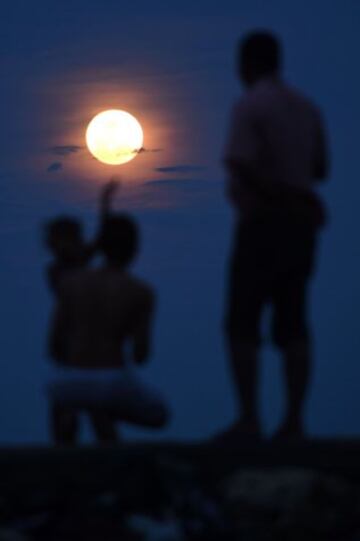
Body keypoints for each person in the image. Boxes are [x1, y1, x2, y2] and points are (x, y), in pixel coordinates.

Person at [222, 31, 329, 441]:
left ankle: (249, 419)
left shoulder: (250, 105)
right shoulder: (308, 108)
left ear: (247, 64)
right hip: (302, 226)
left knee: (241, 321)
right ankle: (294, 420)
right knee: (294, 321)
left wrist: (273, 193)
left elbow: (237, 162)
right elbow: (320, 168)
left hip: (264, 222)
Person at [47, 213, 169, 444]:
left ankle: (65, 445)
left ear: (101, 249)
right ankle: (104, 423)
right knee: (159, 415)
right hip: (111, 380)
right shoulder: (141, 292)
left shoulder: (71, 283)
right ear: (135, 249)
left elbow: (53, 345)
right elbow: (140, 356)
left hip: (68, 383)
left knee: (75, 400)